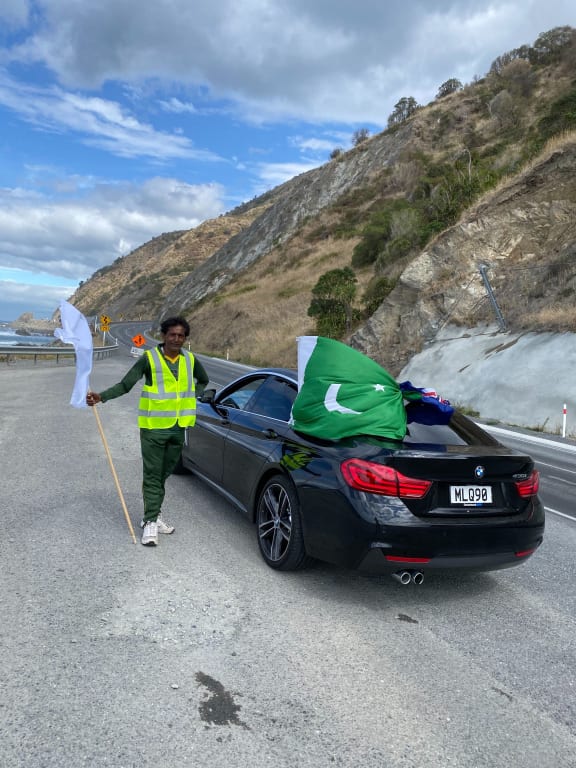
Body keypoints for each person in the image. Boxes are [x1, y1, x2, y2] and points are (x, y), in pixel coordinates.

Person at [86, 316, 209, 546]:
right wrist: (101, 397)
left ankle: (153, 513)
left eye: (181, 335)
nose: (176, 339)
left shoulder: (191, 360)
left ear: (185, 338)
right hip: (153, 428)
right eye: (172, 334)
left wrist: (193, 394)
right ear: (163, 336)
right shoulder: (149, 359)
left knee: (163, 474)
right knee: (153, 476)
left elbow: (203, 380)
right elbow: (125, 385)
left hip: (178, 428)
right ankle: (150, 522)